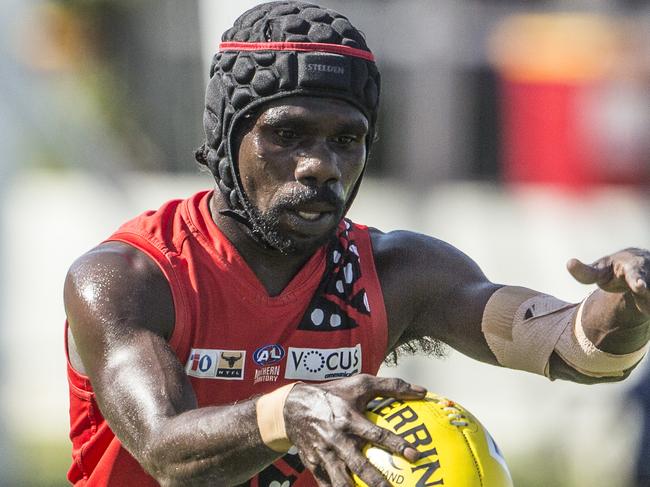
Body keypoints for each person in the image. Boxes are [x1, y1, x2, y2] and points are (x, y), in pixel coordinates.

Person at [64, 2, 650, 486]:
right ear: (226, 137)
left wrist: (627, 307)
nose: (320, 165)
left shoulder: (397, 271)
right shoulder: (131, 277)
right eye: (287, 134)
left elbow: (576, 351)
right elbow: (166, 452)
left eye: (347, 139)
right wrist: (287, 411)